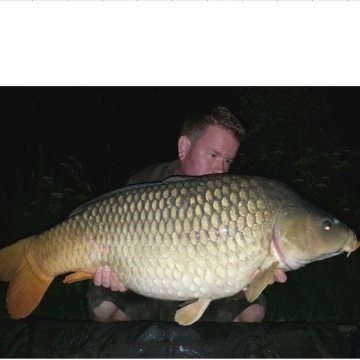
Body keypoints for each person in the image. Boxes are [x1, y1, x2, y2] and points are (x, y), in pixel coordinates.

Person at [87, 106, 287, 323]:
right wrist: (115, 273)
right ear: (184, 147)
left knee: (252, 313)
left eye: (228, 160)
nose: (220, 170)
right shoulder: (145, 183)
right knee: (104, 309)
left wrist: (251, 273)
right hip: (150, 277)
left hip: (205, 279)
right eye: (213, 155)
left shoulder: (233, 197)